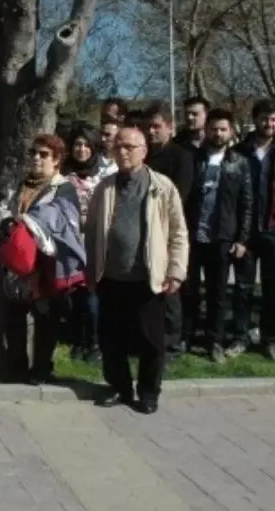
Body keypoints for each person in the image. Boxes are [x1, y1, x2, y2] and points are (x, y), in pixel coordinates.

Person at [85, 127, 188, 415]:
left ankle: (148, 392)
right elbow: (92, 232)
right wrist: (91, 270)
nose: (123, 151)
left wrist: (176, 271)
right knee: (111, 339)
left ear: (144, 151)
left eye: (130, 146)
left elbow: (178, 233)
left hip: (148, 279)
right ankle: (119, 387)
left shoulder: (162, 187)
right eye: (118, 146)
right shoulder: (104, 188)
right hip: (111, 277)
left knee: (151, 341)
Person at [0, 135, 86, 383]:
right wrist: (6, 223)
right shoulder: (21, 184)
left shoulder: (64, 188)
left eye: (44, 154)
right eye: (34, 153)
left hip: (46, 264)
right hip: (17, 262)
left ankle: (42, 369)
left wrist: (29, 225)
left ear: (57, 160)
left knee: (46, 318)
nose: (36, 158)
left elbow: (66, 223)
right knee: (14, 316)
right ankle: (16, 367)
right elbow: (4, 207)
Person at [234, 99, 275, 361]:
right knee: (243, 288)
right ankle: (240, 337)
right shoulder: (240, 151)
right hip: (246, 232)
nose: (269, 124)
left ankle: (270, 341)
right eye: (264, 118)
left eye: (274, 119)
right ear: (255, 119)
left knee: (272, 290)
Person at [183, 108, 252, 362]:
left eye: (223, 129)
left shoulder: (239, 162)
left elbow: (247, 203)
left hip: (222, 238)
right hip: (193, 236)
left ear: (231, 131)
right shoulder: (192, 158)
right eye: (214, 128)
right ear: (206, 130)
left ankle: (215, 342)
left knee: (218, 294)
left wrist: (242, 238)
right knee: (189, 291)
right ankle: (186, 337)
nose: (218, 133)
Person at [142, 102, 195, 354]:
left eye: (156, 126)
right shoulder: (145, 157)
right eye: (148, 127)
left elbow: (179, 197)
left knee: (170, 288)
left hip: (169, 229)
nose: (151, 132)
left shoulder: (182, 156)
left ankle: (172, 342)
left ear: (169, 127)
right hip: (144, 230)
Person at [61, 124, 110, 361]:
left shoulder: (103, 176)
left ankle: (95, 343)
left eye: (86, 145)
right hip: (70, 243)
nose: (81, 149)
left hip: (94, 242)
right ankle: (77, 341)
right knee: (73, 297)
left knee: (93, 297)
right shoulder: (63, 176)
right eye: (77, 145)